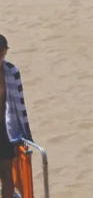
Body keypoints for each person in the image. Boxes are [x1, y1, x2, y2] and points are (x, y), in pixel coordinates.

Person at [1, 34, 34, 198]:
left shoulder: (12, 73)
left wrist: (25, 134)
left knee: (7, 172)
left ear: (5, 52)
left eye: (1, 52)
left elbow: (20, 106)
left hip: (5, 128)